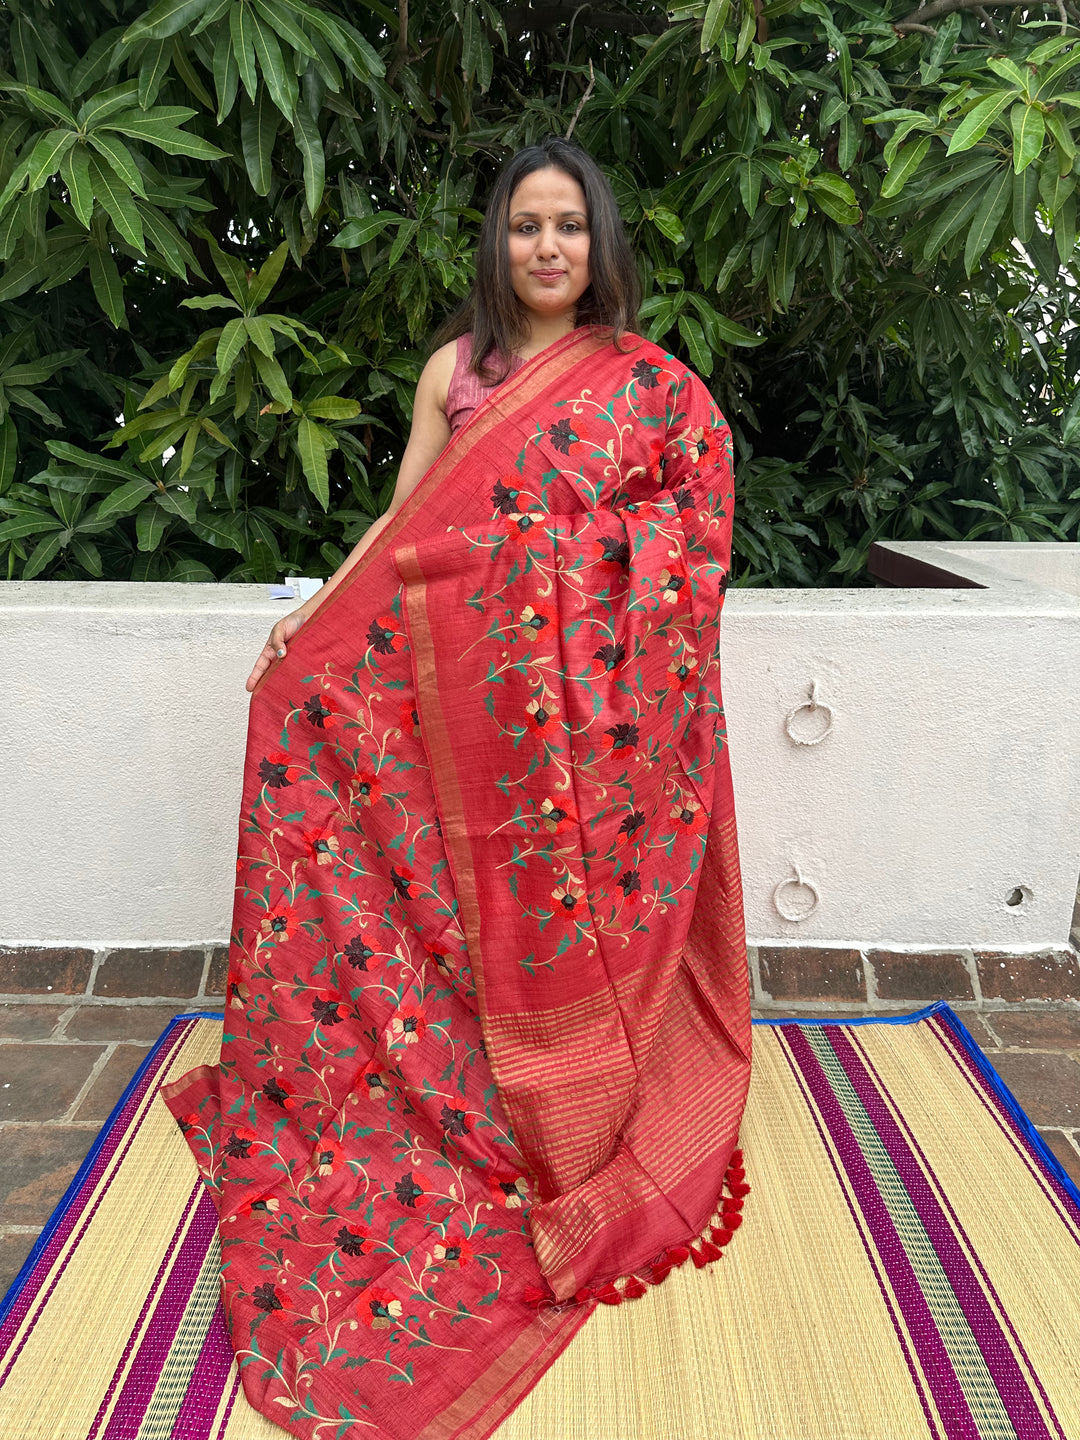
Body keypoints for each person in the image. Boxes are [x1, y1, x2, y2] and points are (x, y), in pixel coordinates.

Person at [164, 137, 751, 1440]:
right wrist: (316, 611)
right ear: (498, 244)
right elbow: (408, 522)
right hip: (449, 700)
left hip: (570, 734)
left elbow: (694, 535)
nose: (548, 248)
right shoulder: (457, 371)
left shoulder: (645, 389)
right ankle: (424, 1076)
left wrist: (569, 558)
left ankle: (565, 1090)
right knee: (428, 885)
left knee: (536, 907)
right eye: (527, 227)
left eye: (570, 228)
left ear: (601, 246)